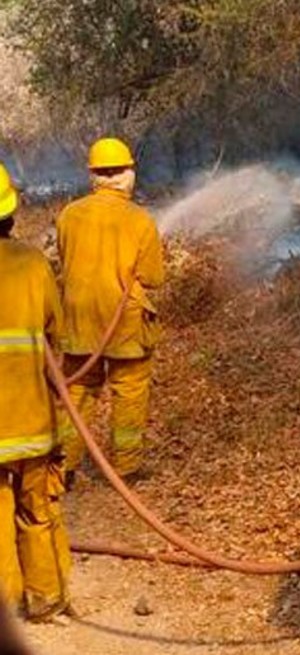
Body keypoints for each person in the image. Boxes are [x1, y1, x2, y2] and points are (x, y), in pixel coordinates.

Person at [56, 138, 164, 481]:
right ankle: (126, 468)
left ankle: (63, 466)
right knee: (129, 391)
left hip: (78, 319)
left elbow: (65, 259)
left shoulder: (69, 215)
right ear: (127, 173)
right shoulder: (140, 220)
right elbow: (153, 277)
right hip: (124, 323)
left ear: (94, 175)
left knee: (77, 392)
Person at [0, 162, 74, 622]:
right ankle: (45, 598)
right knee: (37, 509)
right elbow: (56, 333)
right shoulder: (32, 264)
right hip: (31, 419)